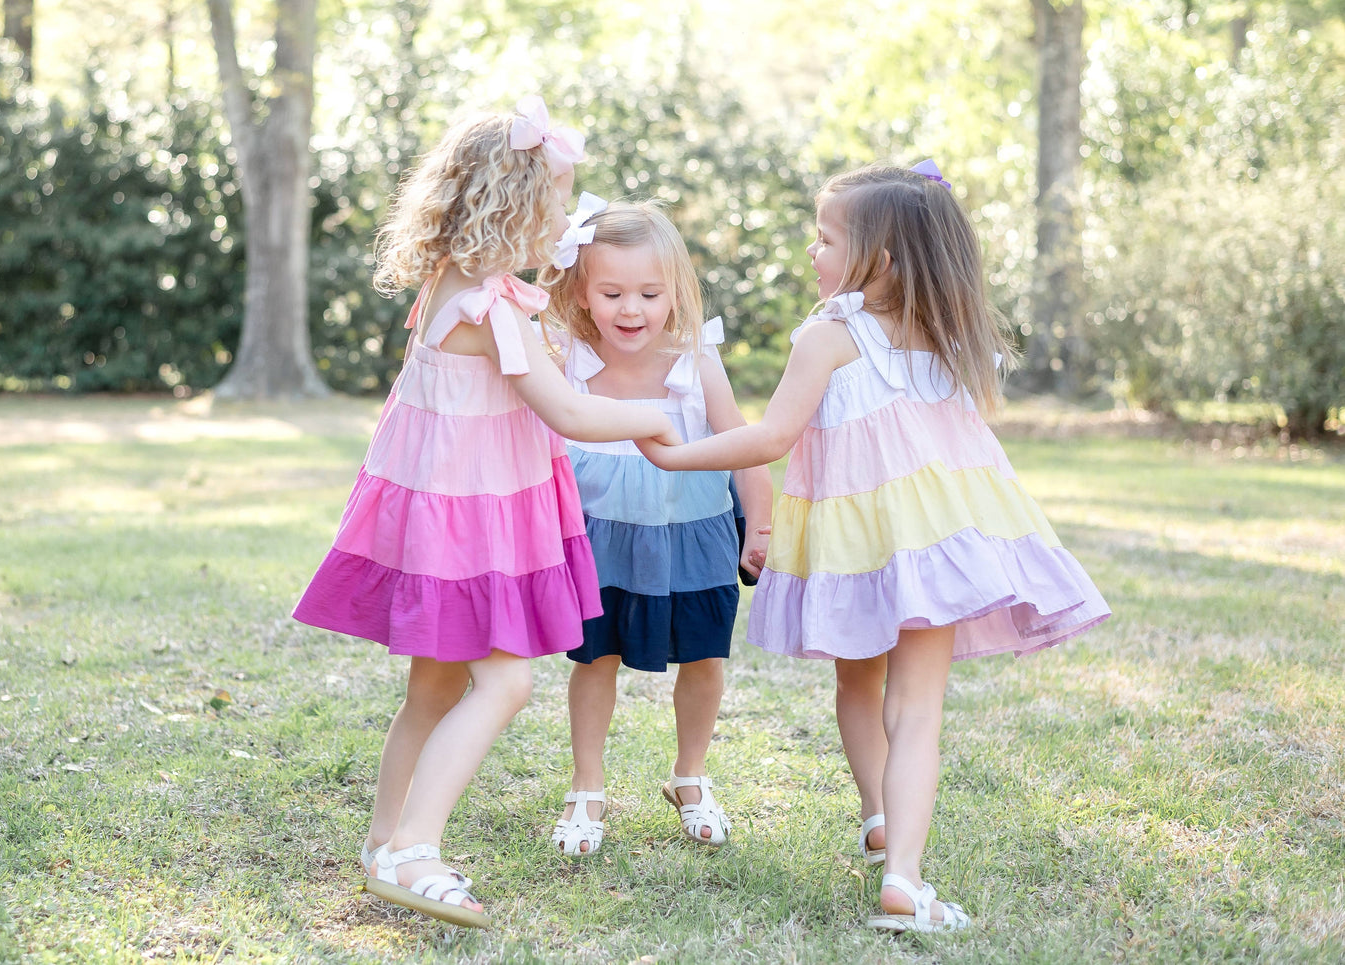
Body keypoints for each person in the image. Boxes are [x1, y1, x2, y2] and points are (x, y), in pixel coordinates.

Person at [637, 161, 1110, 932]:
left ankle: (884, 830)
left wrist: (671, 452)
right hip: (938, 537)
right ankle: (897, 862)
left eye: (824, 238)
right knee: (915, 707)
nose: (811, 251)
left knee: (861, 685)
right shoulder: (954, 334)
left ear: (879, 259)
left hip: (857, 540)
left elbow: (770, 434)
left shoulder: (828, 335)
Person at [292, 98, 679, 929]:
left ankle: (383, 842)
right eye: (559, 197)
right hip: (470, 522)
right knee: (503, 681)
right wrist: (652, 417)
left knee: (432, 686)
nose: (568, 216)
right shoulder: (491, 308)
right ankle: (413, 851)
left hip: (444, 510)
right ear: (514, 204)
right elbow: (570, 413)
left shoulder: (459, 283)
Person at [537, 198, 772, 856]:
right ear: (582, 293)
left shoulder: (694, 361)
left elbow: (744, 443)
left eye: (649, 292)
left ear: (675, 293)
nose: (630, 309)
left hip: (690, 533)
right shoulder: (566, 360)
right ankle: (586, 786)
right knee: (594, 655)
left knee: (703, 656)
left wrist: (761, 524)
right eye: (611, 292)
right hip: (600, 537)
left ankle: (689, 775)